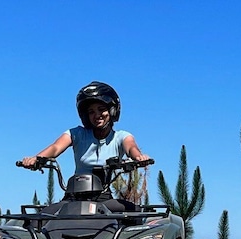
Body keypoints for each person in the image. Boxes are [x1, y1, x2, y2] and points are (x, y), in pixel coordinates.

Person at [21, 81, 149, 207]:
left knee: (132, 214)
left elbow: (131, 147)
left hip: (103, 196)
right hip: (73, 196)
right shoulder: (77, 133)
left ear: (112, 110)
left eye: (101, 109)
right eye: (91, 112)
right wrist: (36, 159)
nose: (97, 115)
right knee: (44, 219)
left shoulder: (121, 136)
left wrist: (139, 158)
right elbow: (55, 147)